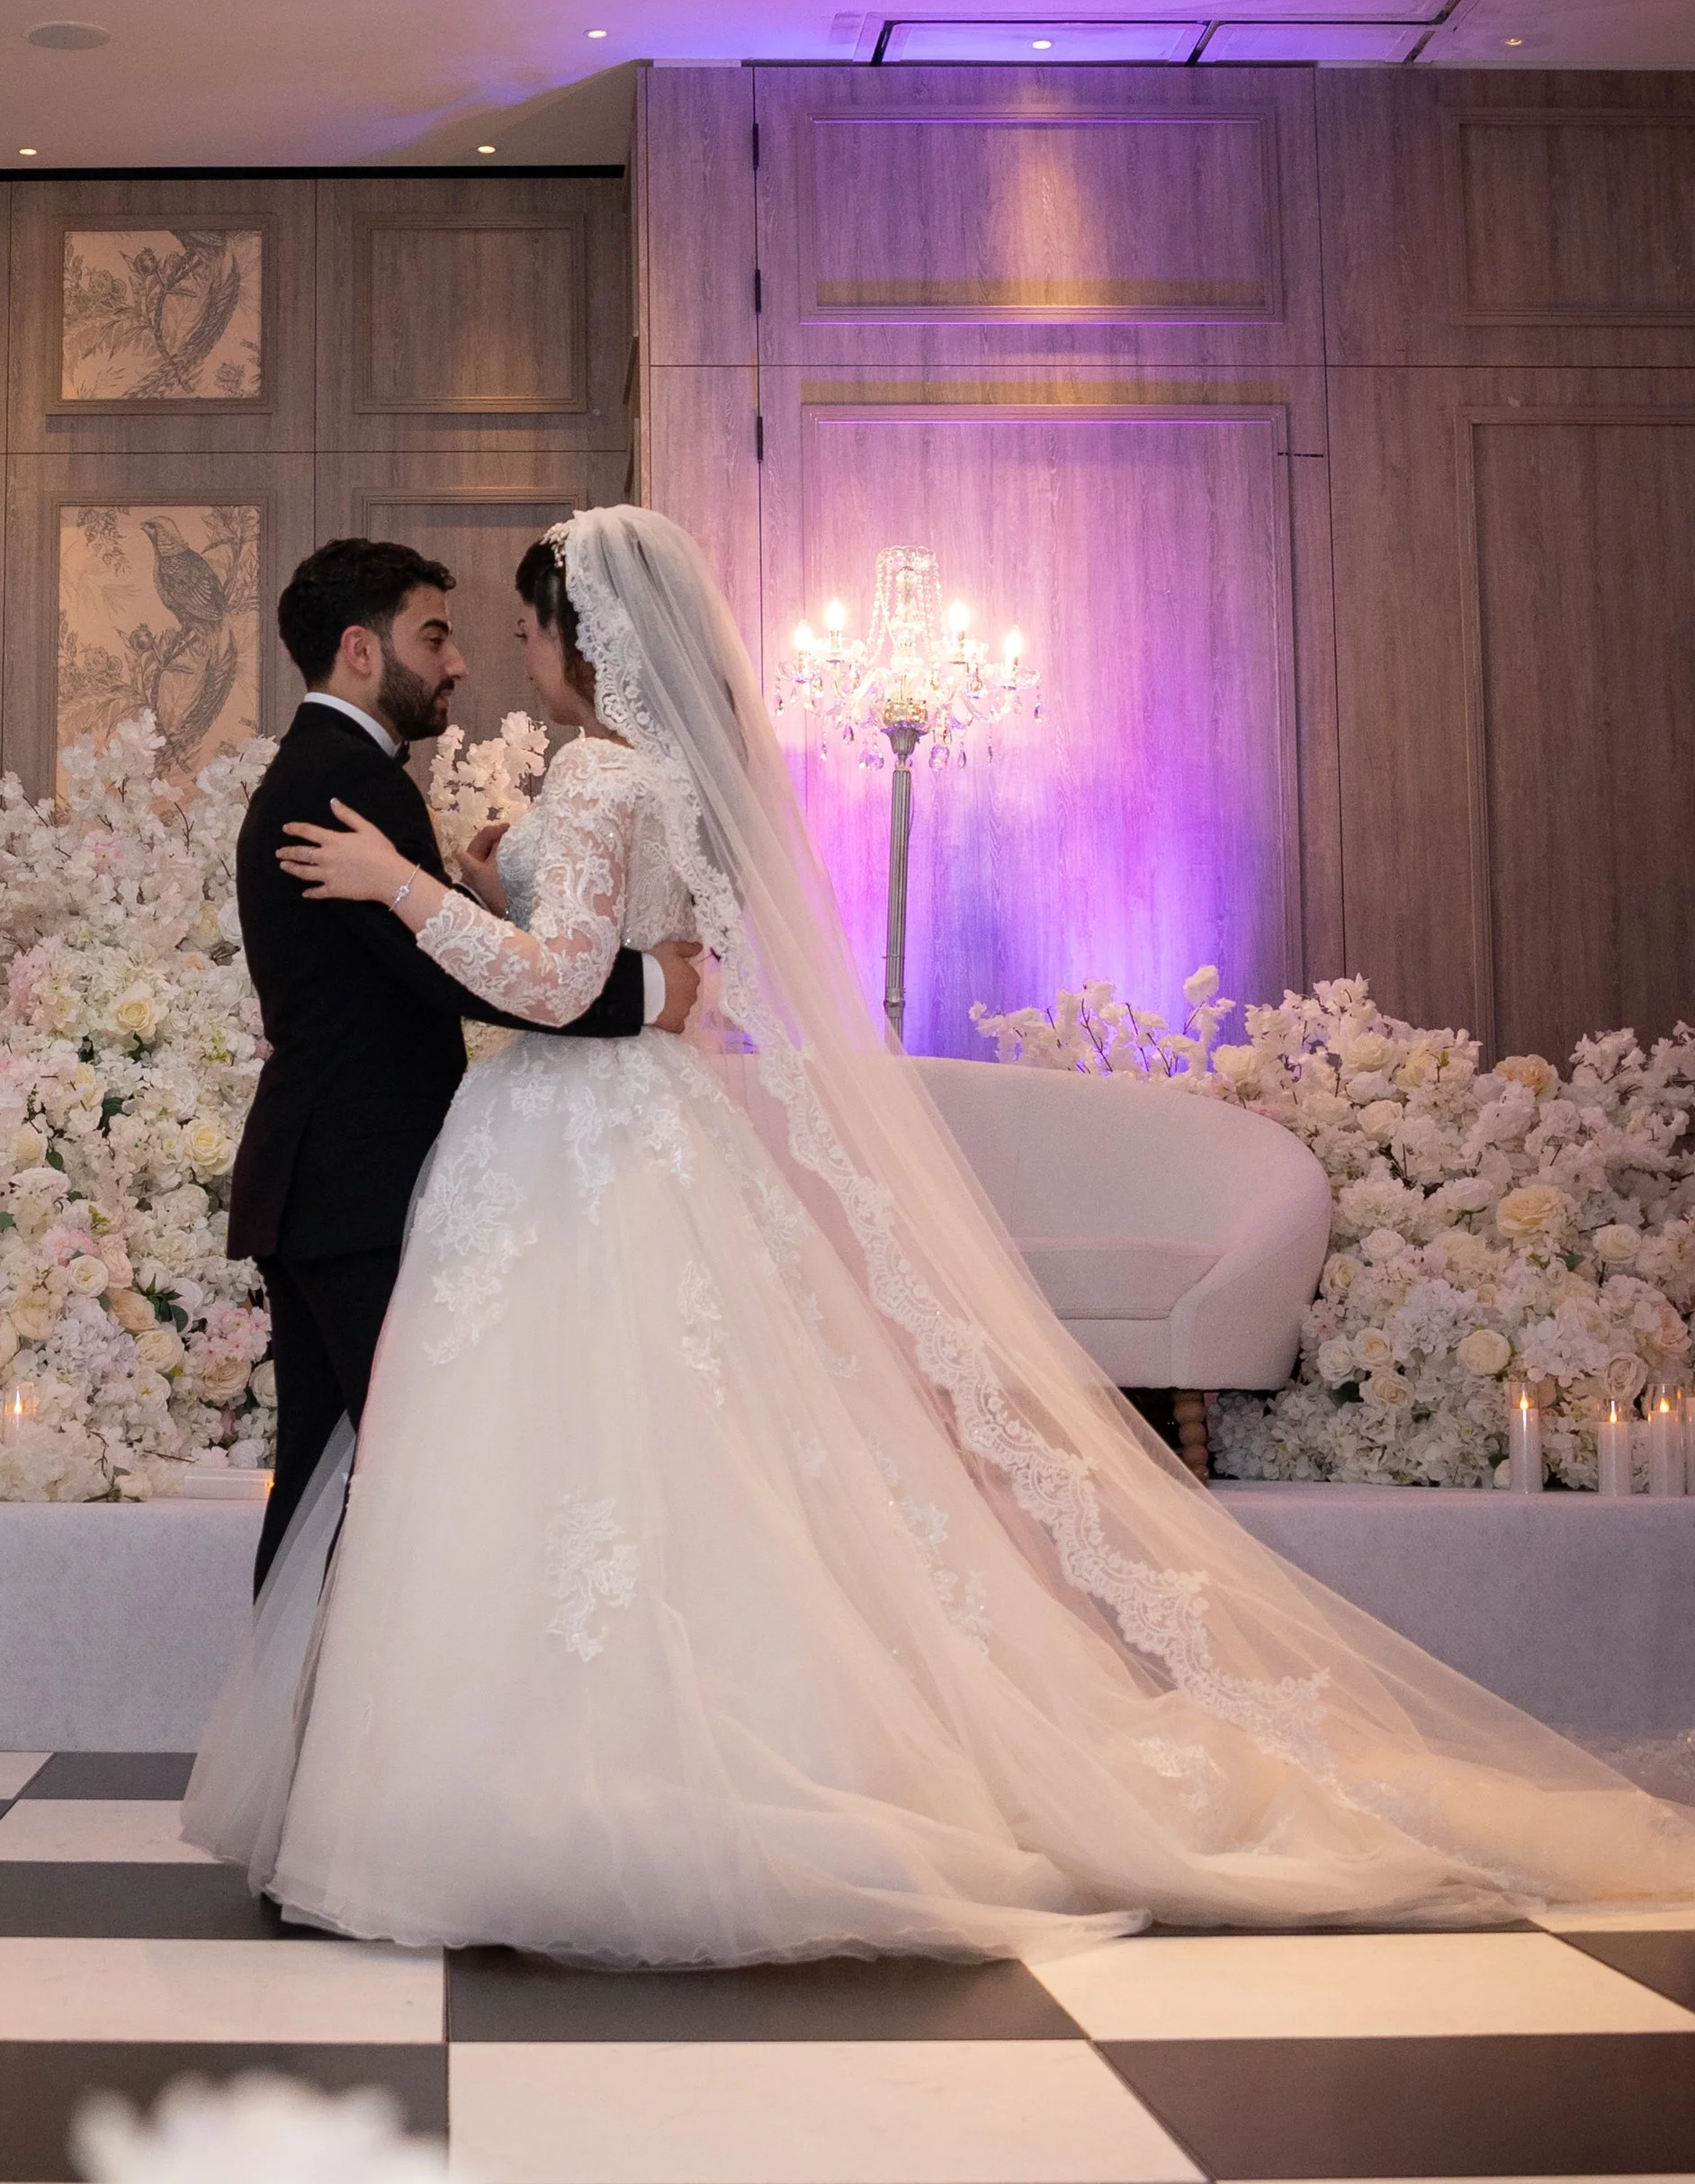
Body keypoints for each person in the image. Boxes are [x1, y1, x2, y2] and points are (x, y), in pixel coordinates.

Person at [187, 506, 1695, 1964]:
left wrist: (429, 889)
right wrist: (580, 936)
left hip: (572, 1142)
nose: (499, 656)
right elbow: (631, 963)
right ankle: (547, 1762)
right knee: (649, 1454)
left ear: (585, 639)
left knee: (577, 1452)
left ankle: (516, 1776)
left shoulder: (595, 779)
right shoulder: (626, 777)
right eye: (467, 633)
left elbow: (559, 975)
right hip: (607, 1138)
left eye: (519, 627)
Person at [229, 535, 701, 1581]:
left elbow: (442, 963)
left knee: (330, 1477)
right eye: (434, 635)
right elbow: (447, 977)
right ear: (361, 650)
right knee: (399, 1472)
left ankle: (309, 1732)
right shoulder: (346, 783)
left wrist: (474, 900)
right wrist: (653, 991)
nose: (460, 663)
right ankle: (340, 1730)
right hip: (356, 1179)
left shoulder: (332, 770)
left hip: (329, 1178)